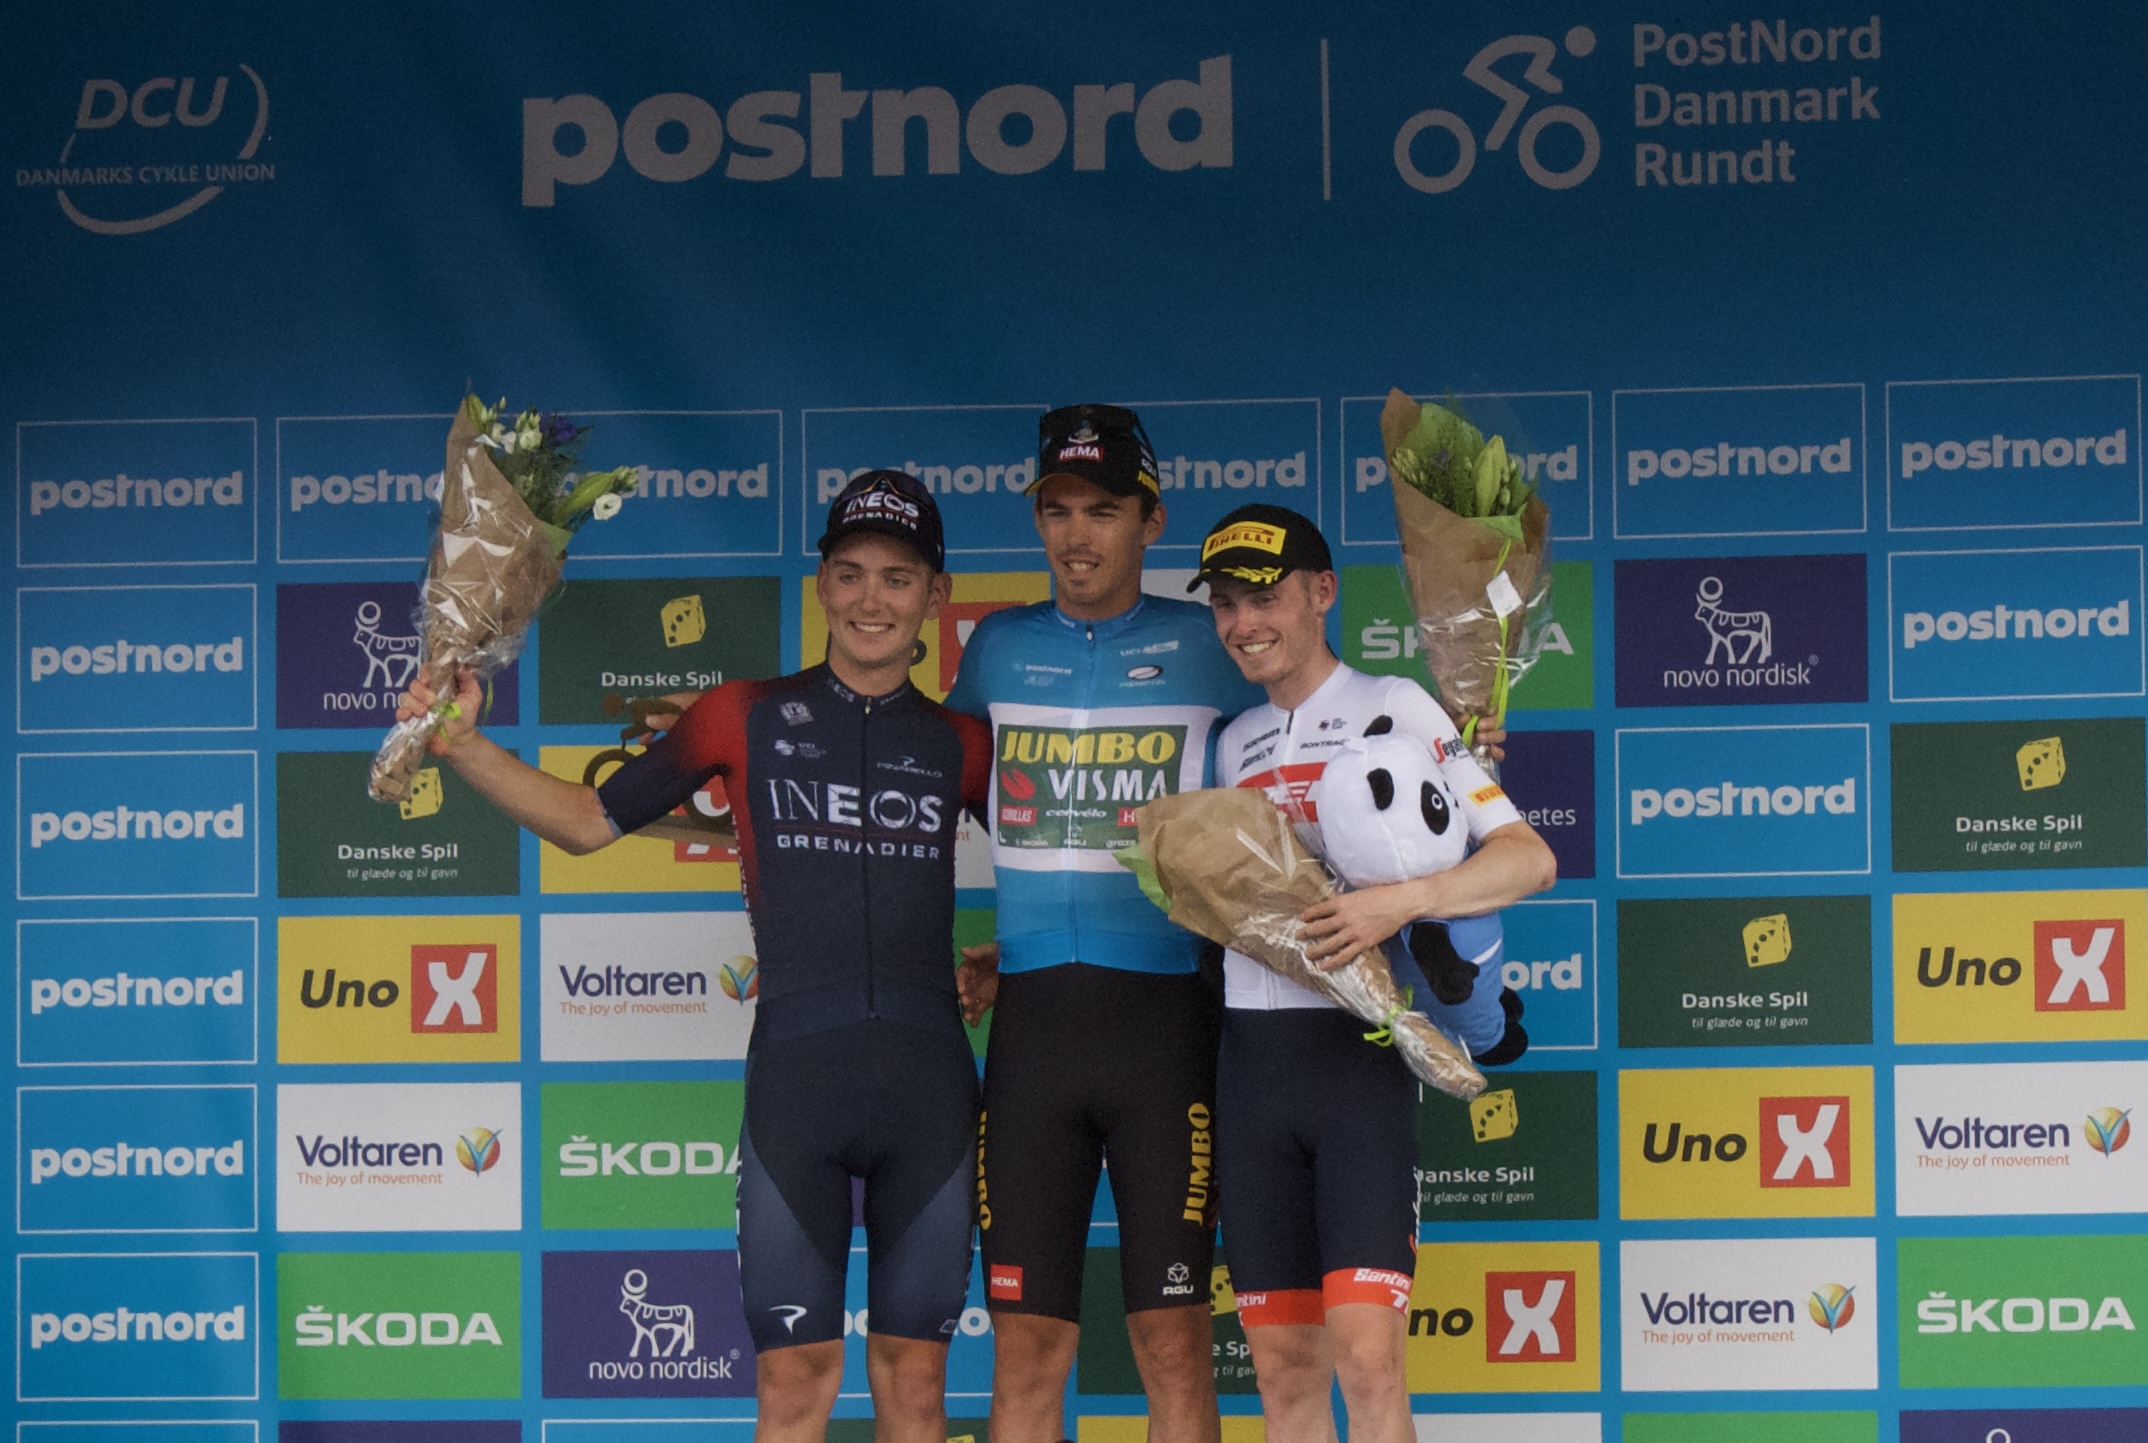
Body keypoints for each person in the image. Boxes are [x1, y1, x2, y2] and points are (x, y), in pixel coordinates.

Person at [395, 470, 990, 1443]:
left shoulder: (964, 742)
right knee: (791, 1386)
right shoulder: (739, 714)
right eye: (850, 574)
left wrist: (1008, 953)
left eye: (897, 578)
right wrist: (461, 747)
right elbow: (587, 821)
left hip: (929, 1093)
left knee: (916, 1387)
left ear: (935, 594)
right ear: (821, 586)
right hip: (797, 1088)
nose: (871, 599)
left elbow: (1063, 868)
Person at [1194, 502, 1555, 1443]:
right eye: (1226, 603)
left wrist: (1398, 903)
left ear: (1321, 592)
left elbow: (1527, 859)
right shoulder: (1229, 742)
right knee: (1282, 1371)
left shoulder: (1398, 705)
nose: (1244, 622)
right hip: (1250, 1066)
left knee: (1367, 1360)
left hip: (1355, 1062)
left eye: (1264, 597)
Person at [944, 404, 1259, 1443]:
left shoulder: (1210, 642)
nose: (1076, 535)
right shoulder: (996, 648)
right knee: (1027, 1351)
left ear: (1151, 520)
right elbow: (933, 786)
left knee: (1171, 1344)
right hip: (1032, 1029)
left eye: (1103, 511)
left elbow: (1316, 773)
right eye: (1058, 510)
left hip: (1165, 1028)